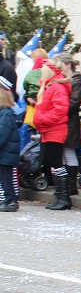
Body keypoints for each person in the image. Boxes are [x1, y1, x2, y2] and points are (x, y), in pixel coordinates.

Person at [33, 56, 73, 211]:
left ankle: (63, 197)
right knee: (54, 163)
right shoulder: (52, 86)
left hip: (54, 129)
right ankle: (60, 196)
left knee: (56, 163)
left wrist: (41, 119)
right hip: (48, 130)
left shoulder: (57, 87)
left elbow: (60, 110)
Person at [60, 55, 81, 195]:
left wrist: (59, 110)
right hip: (63, 120)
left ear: (67, 64)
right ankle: (65, 184)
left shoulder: (76, 81)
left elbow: (74, 102)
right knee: (63, 153)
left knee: (69, 152)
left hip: (70, 121)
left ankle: (71, 185)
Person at [0, 77, 20, 211]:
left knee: (7, 179)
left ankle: (11, 201)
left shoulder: (6, 114)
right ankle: (8, 200)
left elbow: (2, 135)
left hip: (6, 153)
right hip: (5, 153)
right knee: (4, 178)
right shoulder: (4, 113)